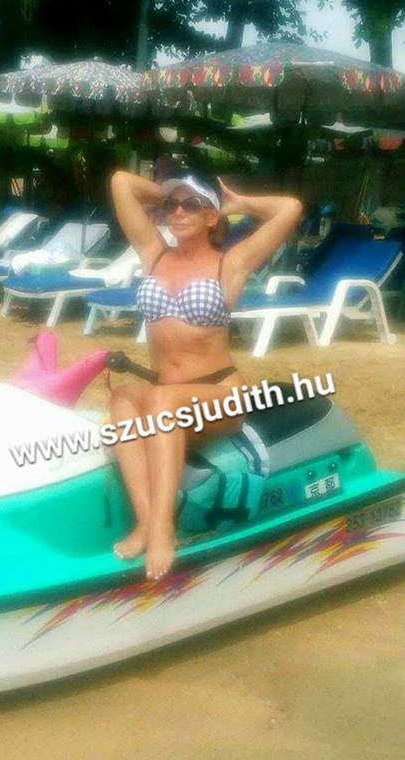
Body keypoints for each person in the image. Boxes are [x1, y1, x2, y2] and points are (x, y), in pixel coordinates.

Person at [109, 169, 303, 580]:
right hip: (168, 395)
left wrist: (240, 203)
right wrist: (167, 195)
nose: (179, 212)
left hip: (219, 394)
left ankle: (164, 529)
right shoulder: (154, 253)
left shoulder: (230, 263)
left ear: (212, 216)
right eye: (172, 206)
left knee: (160, 402)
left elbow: (290, 209)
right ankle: (146, 521)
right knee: (122, 397)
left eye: (192, 204)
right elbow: (122, 182)